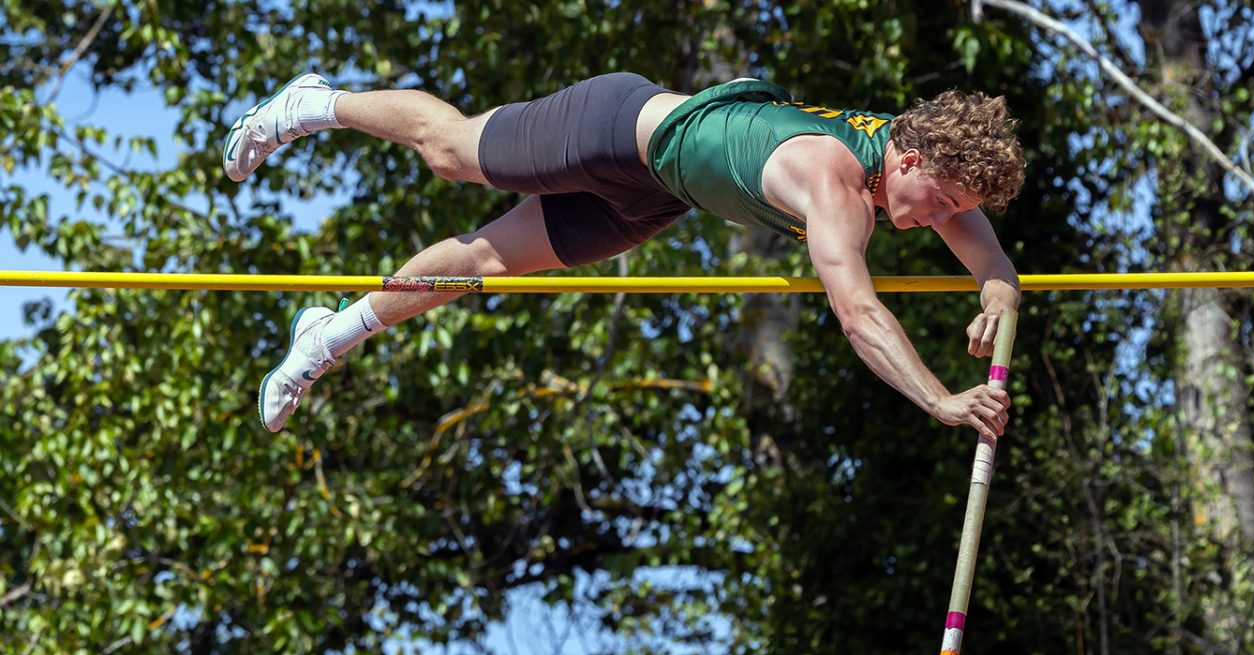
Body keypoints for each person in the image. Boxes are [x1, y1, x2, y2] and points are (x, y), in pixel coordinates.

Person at [227, 72, 1021, 439]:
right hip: (618, 127)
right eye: (943, 204)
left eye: (959, 214)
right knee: (451, 152)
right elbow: (857, 315)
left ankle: (325, 336)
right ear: (912, 162)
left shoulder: (907, 151)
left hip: (655, 194)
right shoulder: (837, 184)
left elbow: (980, 246)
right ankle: (310, 104)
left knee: (482, 265)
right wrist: (941, 400)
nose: (942, 225)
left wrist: (998, 292)